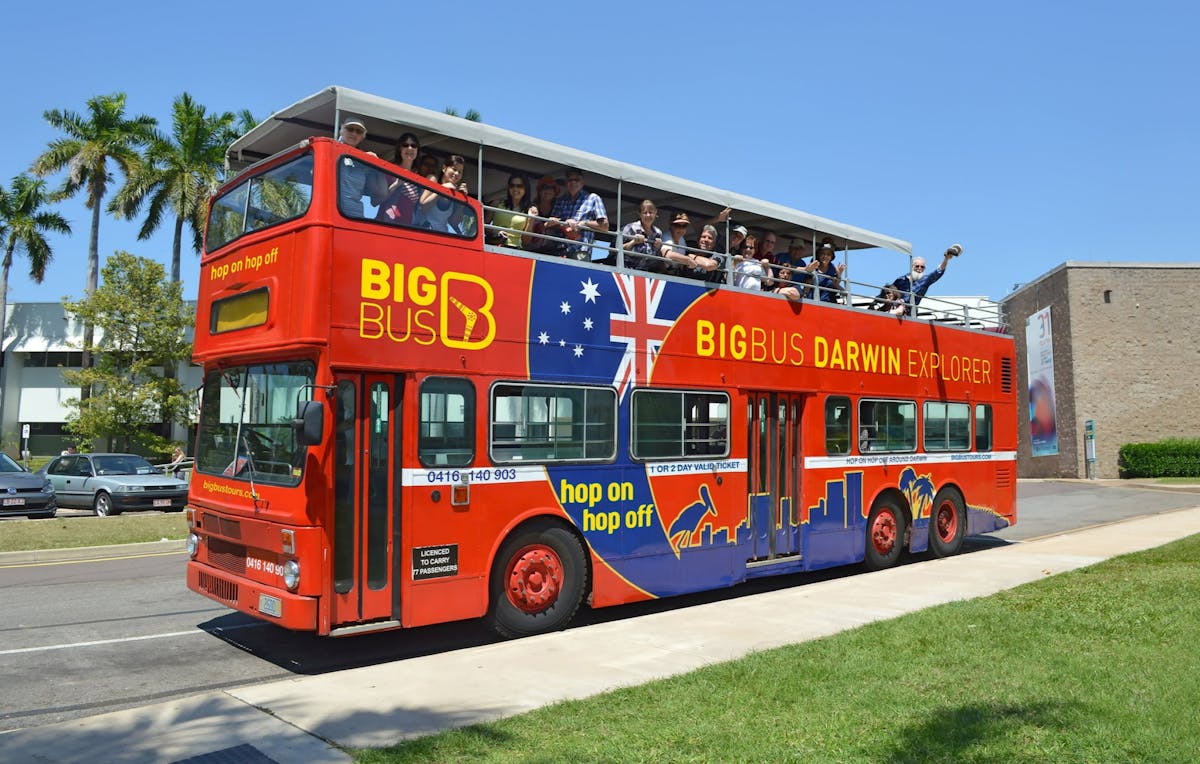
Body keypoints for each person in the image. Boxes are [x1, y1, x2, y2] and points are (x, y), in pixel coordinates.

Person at [873, 244, 962, 314]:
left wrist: (946, 259)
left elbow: (938, 272)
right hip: (892, 306)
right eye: (917, 266)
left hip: (908, 310)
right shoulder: (901, 280)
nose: (920, 268)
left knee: (900, 308)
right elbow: (889, 291)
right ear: (911, 266)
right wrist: (875, 301)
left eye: (922, 267)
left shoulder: (925, 280)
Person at [546, 168, 608, 260]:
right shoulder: (560, 200)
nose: (573, 182)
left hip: (581, 251)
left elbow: (605, 226)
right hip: (560, 250)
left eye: (576, 180)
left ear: (582, 183)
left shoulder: (593, 198)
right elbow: (551, 225)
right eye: (570, 180)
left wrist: (583, 223)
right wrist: (564, 225)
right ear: (566, 183)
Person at [375, 132, 422, 225]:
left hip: (406, 228)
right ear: (400, 149)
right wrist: (396, 185)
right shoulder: (390, 171)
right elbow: (375, 201)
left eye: (413, 145)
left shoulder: (418, 177)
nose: (410, 148)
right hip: (387, 225)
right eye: (405, 145)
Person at [336, 117, 377, 218]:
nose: (354, 133)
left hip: (355, 215)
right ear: (342, 130)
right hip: (334, 211)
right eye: (350, 129)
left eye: (358, 131)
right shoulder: (330, 149)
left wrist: (375, 164)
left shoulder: (364, 160)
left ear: (362, 136)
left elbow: (379, 194)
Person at [416, 155, 468, 232]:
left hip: (442, 236)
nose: (456, 173)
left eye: (460, 172)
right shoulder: (433, 180)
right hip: (423, 231)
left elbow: (454, 222)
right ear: (444, 168)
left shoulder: (456, 194)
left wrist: (462, 201)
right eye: (454, 169)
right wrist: (443, 189)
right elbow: (422, 207)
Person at [620, 199, 665, 273]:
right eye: (645, 212)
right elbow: (615, 250)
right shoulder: (630, 228)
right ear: (639, 214)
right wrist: (633, 242)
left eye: (650, 212)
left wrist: (658, 248)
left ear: (655, 213)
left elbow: (657, 258)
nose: (648, 215)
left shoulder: (658, 233)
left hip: (648, 273)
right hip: (627, 270)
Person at [487, 173, 531, 248]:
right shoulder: (497, 203)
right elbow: (484, 226)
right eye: (512, 186)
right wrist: (497, 232)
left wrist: (531, 219)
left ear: (526, 188)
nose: (515, 189)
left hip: (515, 251)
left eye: (519, 186)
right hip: (495, 246)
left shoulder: (529, 210)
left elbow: (526, 241)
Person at [524, 175, 561, 254]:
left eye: (551, 188)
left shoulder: (558, 208)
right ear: (539, 191)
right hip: (532, 250)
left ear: (555, 193)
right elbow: (529, 230)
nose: (548, 191)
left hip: (552, 252)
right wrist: (545, 225)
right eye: (545, 188)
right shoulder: (533, 208)